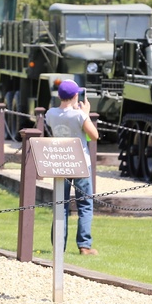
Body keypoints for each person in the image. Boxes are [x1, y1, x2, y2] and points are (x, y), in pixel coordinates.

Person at [45, 79, 100, 255]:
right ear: (76, 95)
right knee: (85, 205)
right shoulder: (79, 115)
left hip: (61, 163)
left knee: (61, 204)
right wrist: (86, 113)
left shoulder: (50, 113)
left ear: (59, 95)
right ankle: (84, 245)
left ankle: (59, 246)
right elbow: (94, 135)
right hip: (80, 163)